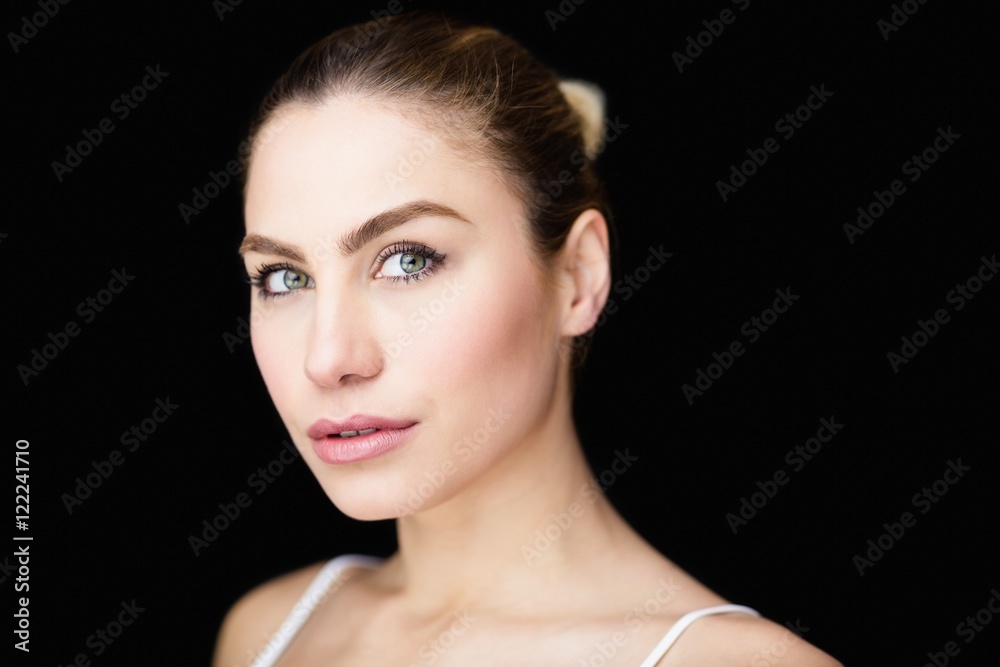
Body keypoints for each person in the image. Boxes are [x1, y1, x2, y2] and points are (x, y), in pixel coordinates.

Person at [213, 11, 841, 666]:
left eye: (408, 260)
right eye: (284, 277)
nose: (328, 358)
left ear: (577, 276)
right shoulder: (271, 629)